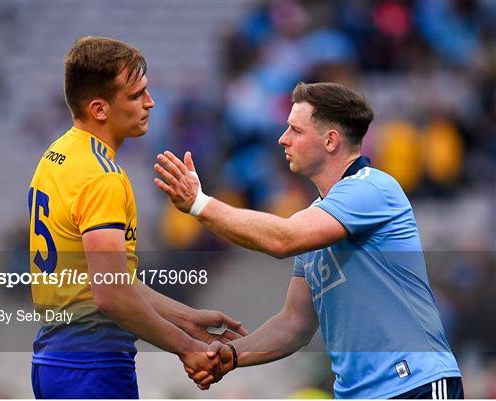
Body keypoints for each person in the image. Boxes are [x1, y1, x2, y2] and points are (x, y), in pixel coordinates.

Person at [154, 82, 464, 399]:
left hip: (415, 383)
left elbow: (284, 239)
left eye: (295, 130)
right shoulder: (316, 217)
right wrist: (232, 355)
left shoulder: (372, 189)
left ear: (330, 140)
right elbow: (295, 323)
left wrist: (199, 204)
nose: (282, 138)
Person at [28, 36, 246, 399]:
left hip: (55, 360)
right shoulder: (102, 176)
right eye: (135, 95)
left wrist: (186, 319)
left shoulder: (57, 155)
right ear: (100, 108)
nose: (150, 102)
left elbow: (109, 280)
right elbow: (111, 294)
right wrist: (186, 347)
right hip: (93, 367)